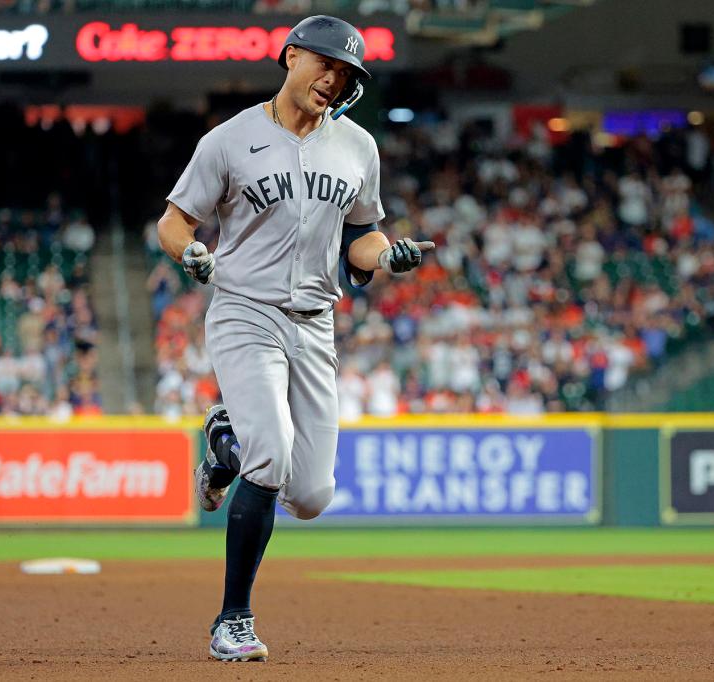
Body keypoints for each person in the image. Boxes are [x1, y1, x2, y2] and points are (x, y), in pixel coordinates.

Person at [156, 16, 434, 663]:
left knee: (310, 495)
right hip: (245, 310)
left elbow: (361, 235)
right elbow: (174, 222)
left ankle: (225, 442)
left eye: (346, 74)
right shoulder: (229, 140)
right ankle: (233, 620)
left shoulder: (358, 146)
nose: (334, 80)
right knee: (273, 455)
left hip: (315, 321)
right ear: (289, 57)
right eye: (326, 64)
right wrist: (191, 252)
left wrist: (387, 256)